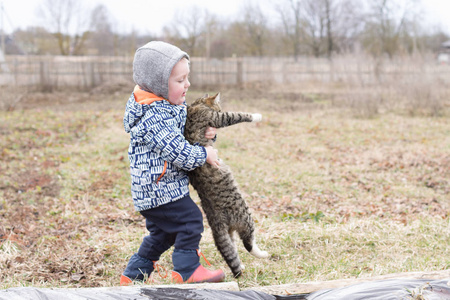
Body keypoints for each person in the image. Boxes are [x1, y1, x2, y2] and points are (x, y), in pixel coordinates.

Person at [120, 41, 225, 285]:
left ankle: (134, 275)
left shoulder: (169, 105)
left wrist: (207, 134)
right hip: (159, 189)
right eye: (180, 81)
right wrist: (204, 156)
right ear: (159, 84)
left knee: (164, 233)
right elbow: (177, 151)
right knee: (190, 221)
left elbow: (187, 134)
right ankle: (188, 270)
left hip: (160, 189)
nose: (187, 84)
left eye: (187, 78)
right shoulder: (153, 116)